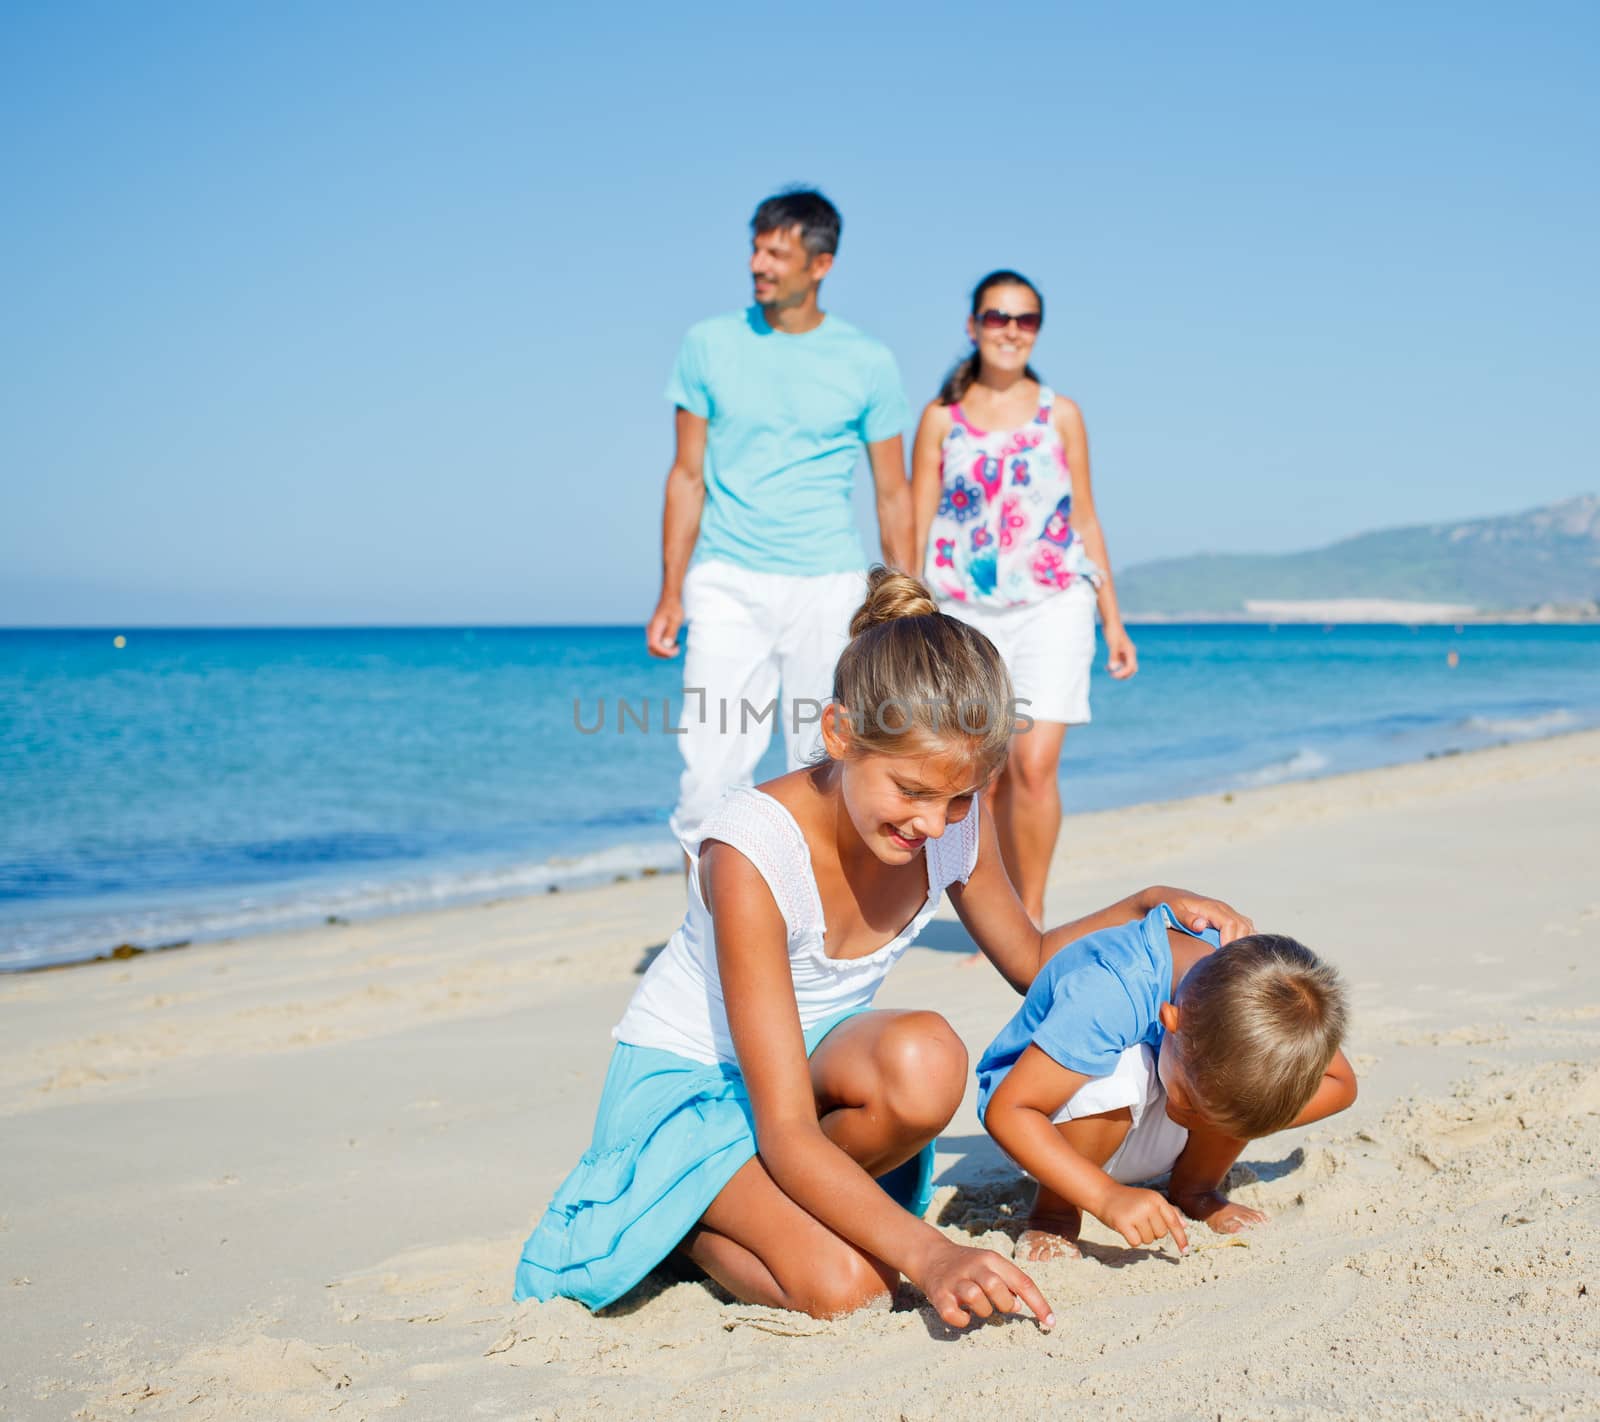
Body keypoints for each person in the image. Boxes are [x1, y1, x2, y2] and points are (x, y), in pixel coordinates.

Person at [516, 569, 1252, 1325]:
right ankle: (683, 1219)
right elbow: (788, 1127)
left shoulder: (953, 825)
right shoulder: (750, 855)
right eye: (911, 791)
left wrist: (1145, 904)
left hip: (807, 1078)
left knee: (928, 1057)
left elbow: (1034, 963)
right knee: (853, 1288)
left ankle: (757, 1204)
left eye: (960, 797)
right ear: (838, 734)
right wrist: (933, 1254)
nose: (935, 824)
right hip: (693, 1091)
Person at [647, 188, 916, 853]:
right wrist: (670, 591)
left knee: (822, 768)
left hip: (828, 586)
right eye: (756, 247)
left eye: (777, 252)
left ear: (819, 265)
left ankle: (806, 942)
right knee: (708, 779)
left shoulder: (867, 361)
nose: (758, 263)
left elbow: (893, 493)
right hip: (727, 580)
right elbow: (686, 475)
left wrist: (907, 598)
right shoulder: (708, 345)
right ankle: (712, 945)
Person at [911, 269, 1136, 925]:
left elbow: (1086, 519)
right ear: (973, 324)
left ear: (1037, 330)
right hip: (962, 611)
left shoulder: (1060, 415)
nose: (1010, 330)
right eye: (997, 317)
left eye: (1025, 319)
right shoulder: (939, 420)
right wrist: (905, 615)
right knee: (986, 775)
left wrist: (1113, 620)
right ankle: (995, 908)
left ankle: (1028, 918)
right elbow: (915, 528)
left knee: (1034, 766)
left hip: (1053, 603)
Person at [977, 909, 1356, 1261]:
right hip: (1044, 1130)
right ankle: (1055, 1214)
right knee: (1127, 1070)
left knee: (1244, 1090)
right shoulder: (1111, 991)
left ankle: (1196, 1190)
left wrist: (1228, 1114)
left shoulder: (1260, 992)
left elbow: (1340, 1084)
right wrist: (1106, 1197)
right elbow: (1008, 1111)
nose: (1194, 1122)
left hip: (1151, 1113)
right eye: (1192, 1106)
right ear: (1169, 1021)